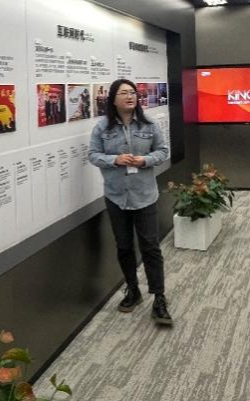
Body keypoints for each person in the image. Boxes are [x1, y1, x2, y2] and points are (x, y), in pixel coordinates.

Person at [88, 78, 172, 326]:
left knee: (150, 247)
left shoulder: (149, 124)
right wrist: (114, 160)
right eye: (124, 93)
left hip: (145, 195)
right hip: (116, 197)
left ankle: (159, 297)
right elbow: (93, 155)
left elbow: (162, 151)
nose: (130, 96)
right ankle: (133, 290)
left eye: (133, 93)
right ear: (113, 99)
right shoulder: (102, 128)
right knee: (124, 246)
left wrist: (144, 160)